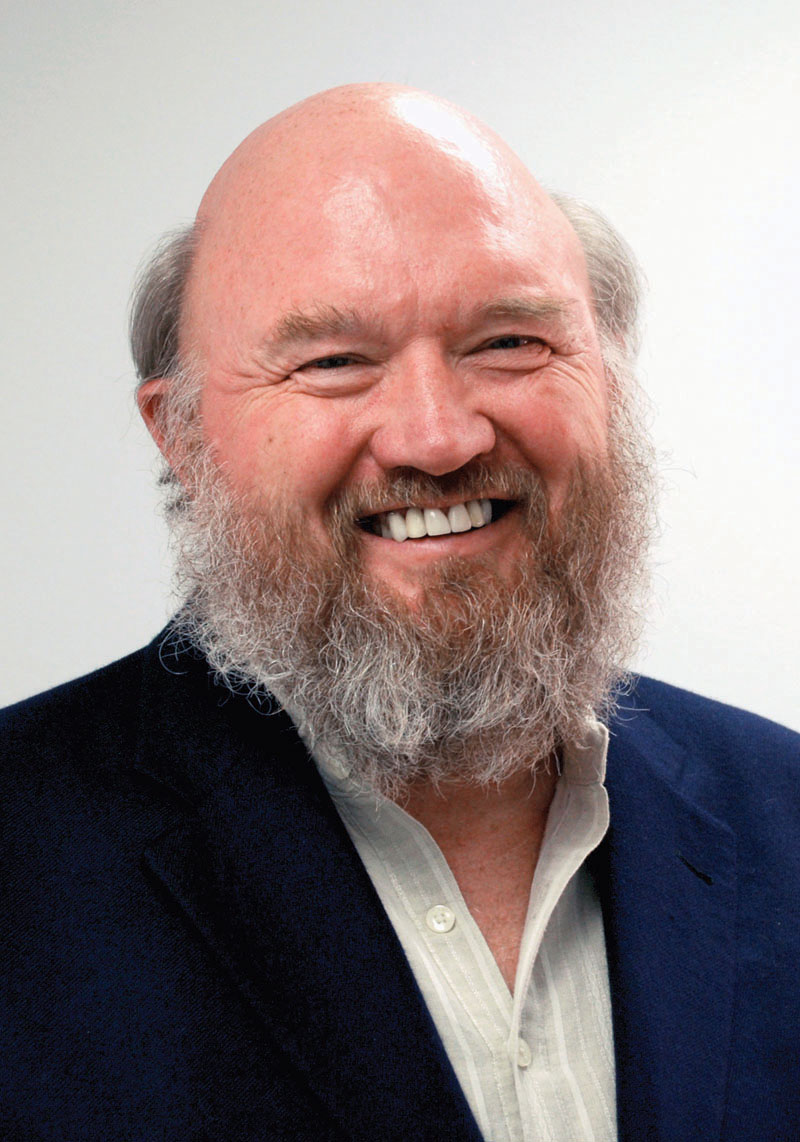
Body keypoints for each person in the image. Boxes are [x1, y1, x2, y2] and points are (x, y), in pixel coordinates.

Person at [2, 84, 798, 1142]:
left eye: (509, 341)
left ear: (607, 382)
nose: (436, 437)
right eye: (334, 362)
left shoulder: (784, 812)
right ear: (182, 437)